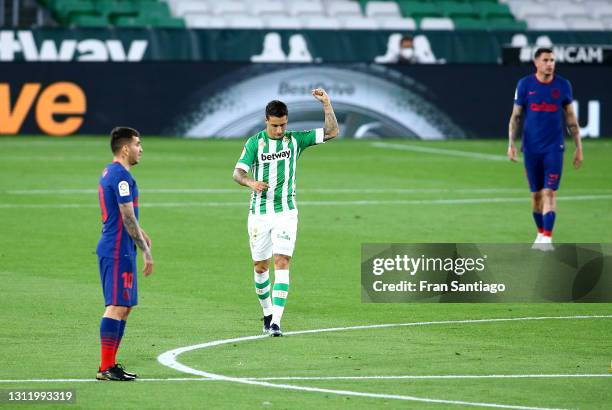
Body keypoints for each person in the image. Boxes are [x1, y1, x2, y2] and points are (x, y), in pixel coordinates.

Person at [232, 89, 339, 337]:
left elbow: (332, 132)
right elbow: (237, 173)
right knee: (261, 266)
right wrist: (251, 183)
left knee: (282, 261)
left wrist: (326, 104)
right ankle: (267, 313)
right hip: (259, 213)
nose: (279, 131)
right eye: (275, 126)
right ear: (266, 121)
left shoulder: (295, 140)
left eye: (283, 125)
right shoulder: (254, 143)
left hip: (286, 212)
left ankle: (276, 322)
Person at [507, 47, 583, 250]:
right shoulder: (525, 85)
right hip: (530, 148)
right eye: (546, 60)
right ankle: (540, 234)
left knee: (549, 192)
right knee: (535, 196)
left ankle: (548, 239)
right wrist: (511, 144)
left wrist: (578, 147)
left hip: (554, 148)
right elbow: (515, 117)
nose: (550, 63)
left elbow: (570, 118)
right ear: (536, 63)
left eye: (552, 60)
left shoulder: (563, 85)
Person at [96, 127, 154, 380]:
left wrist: (140, 232)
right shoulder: (120, 176)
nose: (141, 149)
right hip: (118, 249)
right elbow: (126, 215)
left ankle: (110, 364)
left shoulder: (112, 172)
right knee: (116, 306)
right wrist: (145, 250)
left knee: (125, 307)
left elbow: (127, 216)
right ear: (125, 148)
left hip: (120, 248)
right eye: (138, 144)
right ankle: (106, 367)